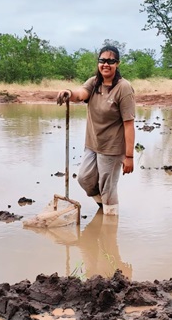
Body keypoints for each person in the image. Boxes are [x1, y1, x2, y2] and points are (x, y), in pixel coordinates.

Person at [57, 45, 135, 216]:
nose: (106, 64)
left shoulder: (124, 88)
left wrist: (129, 156)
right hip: (92, 144)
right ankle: (103, 209)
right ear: (98, 62)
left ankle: (110, 224)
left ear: (117, 63)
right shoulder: (94, 82)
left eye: (110, 61)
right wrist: (68, 93)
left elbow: (129, 124)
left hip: (112, 147)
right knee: (85, 179)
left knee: (108, 189)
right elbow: (80, 94)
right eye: (102, 60)